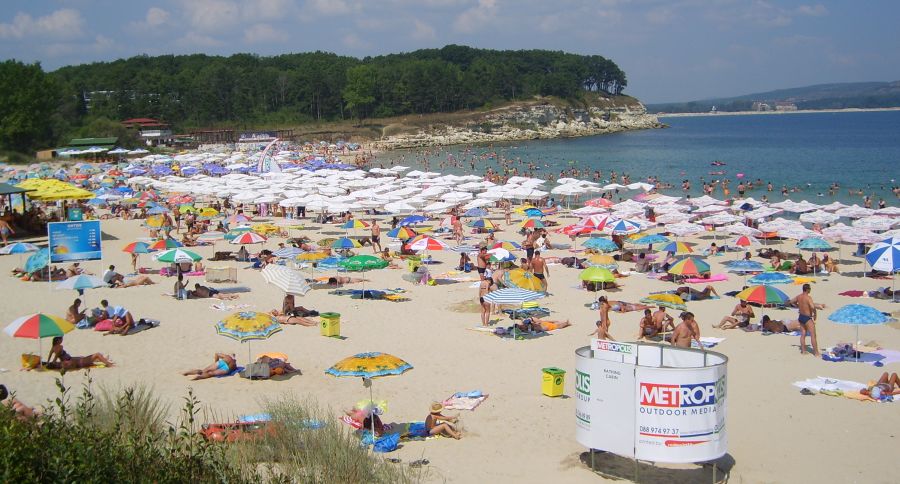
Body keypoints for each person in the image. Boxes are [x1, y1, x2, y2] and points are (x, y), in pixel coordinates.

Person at [789, 283, 824, 356]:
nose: (810, 290)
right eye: (810, 289)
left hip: (801, 317)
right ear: (807, 289)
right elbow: (812, 307)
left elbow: (791, 302)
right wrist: (815, 314)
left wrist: (798, 306)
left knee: (803, 334)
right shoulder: (808, 298)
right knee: (813, 335)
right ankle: (816, 353)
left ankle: (803, 351)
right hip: (807, 318)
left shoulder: (799, 296)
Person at [46, 336, 114, 370]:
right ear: (58, 341)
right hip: (72, 361)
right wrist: (53, 362)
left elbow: (50, 355)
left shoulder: (53, 347)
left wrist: (48, 362)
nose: (62, 340)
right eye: (61, 339)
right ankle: (109, 364)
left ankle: (104, 359)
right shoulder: (60, 347)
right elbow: (56, 356)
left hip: (70, 360)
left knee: (83, 357)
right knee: (97, 354)